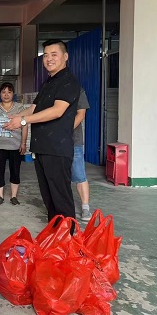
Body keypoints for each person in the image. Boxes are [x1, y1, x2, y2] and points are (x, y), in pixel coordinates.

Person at [5, 39, 80, 223]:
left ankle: (67, 237)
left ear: (65, 56)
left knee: (61, 198)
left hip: (57, 149)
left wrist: (23, 121)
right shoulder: (48, 83)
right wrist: (11, 119)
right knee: (49, 198)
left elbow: (57, 111)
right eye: (45, 55)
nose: (49, 59)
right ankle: (54, 234)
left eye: (54, 54)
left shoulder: (69, 82)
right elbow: (33, 108)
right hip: (42, 148)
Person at [0, 82, 28, 206]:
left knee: (15, 170)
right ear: (0, 94)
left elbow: (25, 126)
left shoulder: (20, 108)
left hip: (15, 145)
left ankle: (14, 196)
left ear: (13, 94)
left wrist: (23, 143)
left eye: (9, 92)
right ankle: (0, 196)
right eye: (3, 92)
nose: (6, 95)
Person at [73, 87, 91, 221]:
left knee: (79, 175)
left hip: (74, 140)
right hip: (55, 142)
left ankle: (85, 208)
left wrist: (64, 131)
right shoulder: (52, 89)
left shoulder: (78, 90)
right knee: (58, 177)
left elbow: (81, 114)